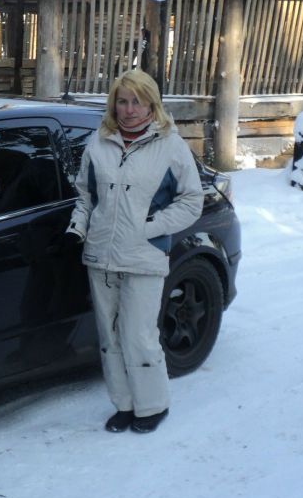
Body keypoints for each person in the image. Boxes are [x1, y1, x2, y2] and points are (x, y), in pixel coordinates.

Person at [65, 70, 202, 433]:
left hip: (143, 256)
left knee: (138, 335)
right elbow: (86, 194)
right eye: (122, 101)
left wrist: (149, 229)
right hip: (100, 256)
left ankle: (153, 405)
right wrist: (78, 227)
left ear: (151, 104)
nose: (128, 110)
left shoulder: (171, 146)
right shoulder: (100, 142)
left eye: (136, 101)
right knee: (109, 338)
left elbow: (192, 201)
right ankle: (124, 404)